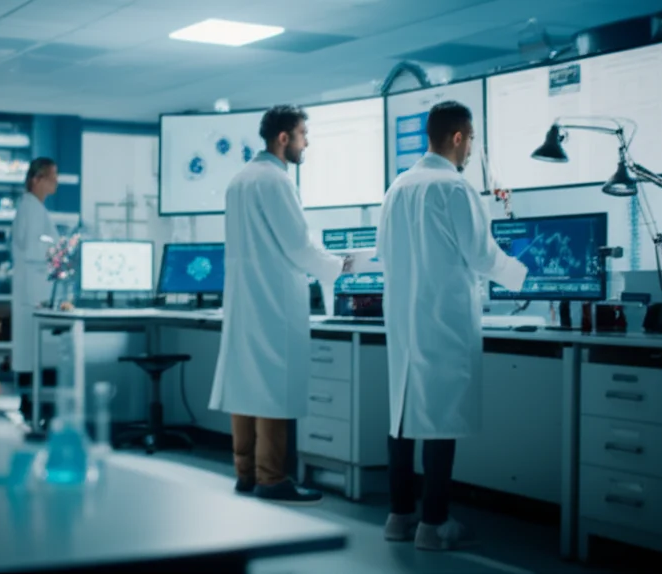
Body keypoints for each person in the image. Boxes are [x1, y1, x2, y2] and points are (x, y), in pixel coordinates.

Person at [377, 101, 528, 550]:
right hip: (442, 320)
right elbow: (482, 256)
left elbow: (383, 252)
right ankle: (434, 524)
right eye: (472, 139)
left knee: (403, 417)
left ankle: (399, 516)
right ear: (459, 137)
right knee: (440, 420)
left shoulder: (397, 187)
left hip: (403, 321)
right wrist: (523, 276)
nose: (471, 149)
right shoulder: (455, 188)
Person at [209, 105, 349, 504]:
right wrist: (338, 266)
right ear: (283, 137)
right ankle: (272, 479)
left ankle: (246, 473)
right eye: (303, 134)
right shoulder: (276, 181)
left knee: (246, 386)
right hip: (273, 301)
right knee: (272, 388)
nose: (307, 143)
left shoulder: (239, 180)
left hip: (245, 300)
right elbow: (299, 246)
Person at [11, 157, 60, 421]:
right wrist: (57, 252)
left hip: (34, 291)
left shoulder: (34, 208)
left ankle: (32, 405)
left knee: (32, 353)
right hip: (33, 294)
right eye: (52, 177)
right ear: (36, 179)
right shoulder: (30, 208)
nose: (56, 183)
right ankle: (34, 406)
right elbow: (33, 250)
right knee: (34, 353)